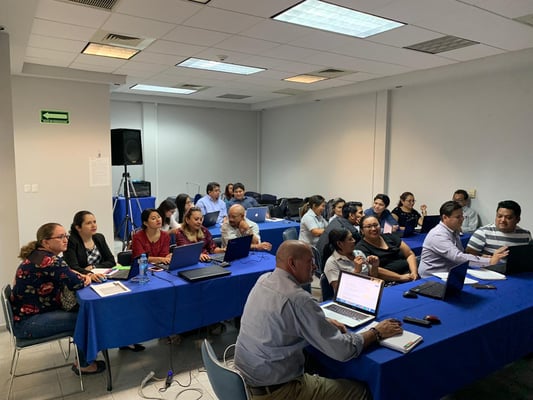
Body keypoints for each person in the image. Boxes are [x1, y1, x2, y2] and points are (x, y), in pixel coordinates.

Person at [234, 240, 402, 400]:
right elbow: (343, 351)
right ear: (292, 263)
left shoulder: (264, 279)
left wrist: (323, 320)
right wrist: (376, 332)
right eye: (310, 262)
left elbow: (286, 316)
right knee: (361, 391)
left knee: (318, 364)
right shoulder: (298, 299)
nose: (315, 267)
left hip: (249, 379)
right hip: (279, 391)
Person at [10, 223, 106, 375]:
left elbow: (67, 271)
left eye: (65, 236)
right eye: (60, 237)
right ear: (46, 242)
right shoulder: (50, 260)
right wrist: (87, 277)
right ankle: (84, 365)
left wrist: (82, 274)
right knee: (86, 318)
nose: (65, 240)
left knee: (83, 314)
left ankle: (85, 358)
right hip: (28, 323)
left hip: (25, 316)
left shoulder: (38, 255)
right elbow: (76, 282)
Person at [418, 201, 508, 278]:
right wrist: (490, 261)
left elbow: (460, 253)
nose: (462, 219)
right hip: (432, 277)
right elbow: (458, 257)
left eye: (462, 216)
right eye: (458, 217)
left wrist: (481, 257)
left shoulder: (453, 230)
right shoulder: (438, 235)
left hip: (448, 272)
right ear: (445, 217)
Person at [355, 215, 418, 282]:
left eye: (376, 225)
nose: (373, 229)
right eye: (369, 226)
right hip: (391, 280)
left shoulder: (390, 236)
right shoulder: (360, 248)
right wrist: (400, 277)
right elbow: (373, 270)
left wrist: (414, 272)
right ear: (362, 230)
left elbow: (409, 254)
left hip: (410, 272)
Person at [466, 200, 531, 259]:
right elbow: (468, 255)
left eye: (508, 218)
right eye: (499, 216)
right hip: (490, 267)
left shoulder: (525, 235)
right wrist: (483, 257)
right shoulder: (482, 232)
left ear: (518, 220)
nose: (502, 220)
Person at [64, 210, 115, 284]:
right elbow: (73, 267)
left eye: (94, 222)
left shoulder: (99, 238)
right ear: (78, 227)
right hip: (83, 279)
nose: (94, 225)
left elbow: (111, 261)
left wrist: (93, 266)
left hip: (101, 276)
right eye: (88, 223)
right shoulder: (71, 242)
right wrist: (89, 274)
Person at [316, 201, 364, 270]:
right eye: (360, 213)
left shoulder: (336, 220)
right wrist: (362, 226)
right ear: (351, 215)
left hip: (319, 260)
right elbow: (360, 246)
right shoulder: (351, 232)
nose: (363, 215)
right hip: (331, 265)